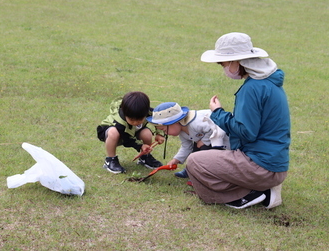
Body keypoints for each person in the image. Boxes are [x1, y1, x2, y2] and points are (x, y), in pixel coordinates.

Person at [186, 32, 290, 209]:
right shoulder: (268, 83)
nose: (224, 68)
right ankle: (261, 189)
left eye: (224, 63)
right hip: (273, 164)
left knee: (194, 162)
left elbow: (246, 132)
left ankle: (254, 193)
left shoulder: (252, 88)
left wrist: (217, 113)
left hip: (261, 166)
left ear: (237, 61)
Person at [146, 102, 230, 178]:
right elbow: (186, 147)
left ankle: (204, 175)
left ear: (174, 122)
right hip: (215, 141)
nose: (166, 133)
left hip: (229, 142)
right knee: (197, 147)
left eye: (165, 130)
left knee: (203, 149)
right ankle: (191, 171)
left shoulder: (195, 123)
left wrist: (204, 141)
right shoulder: (182, 131)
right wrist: (176, 160)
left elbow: (214, 127)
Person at [97, 91, 165, 174]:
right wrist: (140, 146)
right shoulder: (120, 121)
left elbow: (159, 119)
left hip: (133, 131)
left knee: (147, 133)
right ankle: (110, 160)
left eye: (140, 120)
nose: (136, 122)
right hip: (115, 133)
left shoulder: (147, 111)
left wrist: (160, 134)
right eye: (132, 120)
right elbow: (127, 139)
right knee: (113, 133)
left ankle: (145, 157)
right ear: (125, 113)